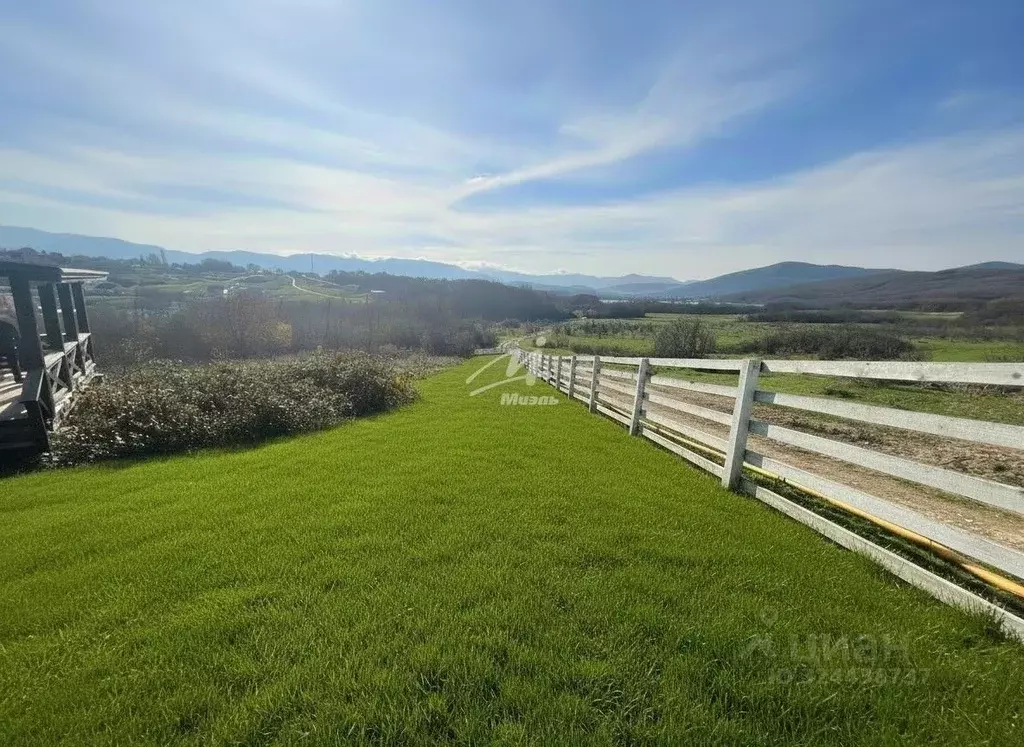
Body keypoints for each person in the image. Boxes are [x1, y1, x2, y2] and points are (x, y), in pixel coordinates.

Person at [0, 317, 22, 382]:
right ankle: (18, 377)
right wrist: (18, 346)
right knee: (13, 363)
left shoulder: (7, 325)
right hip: (9, 347)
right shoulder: (8, 325)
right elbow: (17, 337)